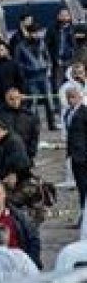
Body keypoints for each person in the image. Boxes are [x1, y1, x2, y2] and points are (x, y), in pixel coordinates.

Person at [15, 22, 58, 130]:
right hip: (31, 77)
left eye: (37, 33)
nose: (36, 35)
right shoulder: (20, 46)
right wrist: (27, 69)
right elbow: (17, 62)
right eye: (33, 33)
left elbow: (47, 56)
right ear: (28, 33)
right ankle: (34, 125)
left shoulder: (42, 43)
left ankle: (52, 124)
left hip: (43, 75)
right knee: (33, 101)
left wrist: (48, 66)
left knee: (49, 99)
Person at [0, 86, 40, 161]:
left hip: (25, 156)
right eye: (11, 99)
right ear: (6, 99)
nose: (15, 102)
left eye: (17, 98)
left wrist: (30, 154)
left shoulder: (29, 116)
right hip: (5, 157)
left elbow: (34, 137)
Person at [0, 118, 32, 189]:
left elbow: (21, 163)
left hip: (17, 181)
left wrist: (13, 174)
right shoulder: (1, 142)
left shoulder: (13, 142)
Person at [64, 85, 87, 214]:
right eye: (68, 97)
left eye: (73, 97)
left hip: (83, 155)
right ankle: (83, 213)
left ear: (80, 97)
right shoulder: (68, 113)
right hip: (75, 156)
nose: (70, 100)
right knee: (81, 186)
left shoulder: (85, 112)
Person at [46, 7, 76, 89]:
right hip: (57, 62)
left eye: (66, 15)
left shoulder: (73, 29)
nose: (64, 17)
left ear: (70, 16)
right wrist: (53, 58)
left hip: (71, 61)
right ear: (58, 16)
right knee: (58, 84)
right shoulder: (52, 29)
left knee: (71, 83)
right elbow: (47, 46)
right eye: (62, 15)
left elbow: (76, 46)